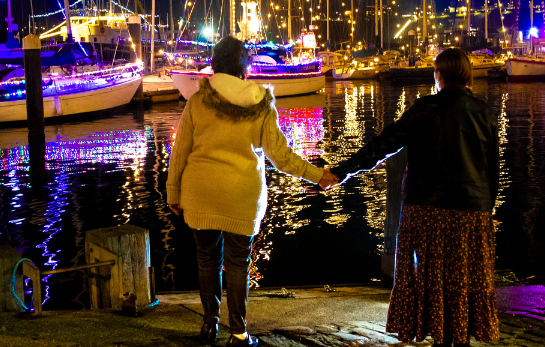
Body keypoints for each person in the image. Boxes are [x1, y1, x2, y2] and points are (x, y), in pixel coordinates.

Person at [167, 36, 339, 346]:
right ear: (244, 67)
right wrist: (318, 175)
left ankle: (209, 325)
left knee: (207, 260)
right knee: (237, 263)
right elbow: (280, 156)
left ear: (215, 65)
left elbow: (180, 151)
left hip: (200, 191)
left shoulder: (196, 101)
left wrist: (172, 192)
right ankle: (238, 332)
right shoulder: (261, 103)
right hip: (241, 195)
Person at [330, 48, 500, 346]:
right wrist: (486, 207)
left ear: (439, 75)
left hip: (426, 207)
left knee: (430, 274)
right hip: (472, 209)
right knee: (463, 276)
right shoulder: (483, 112)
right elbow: (492, 169)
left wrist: (342, 171)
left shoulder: (424, 109)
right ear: (467, 75)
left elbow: (383, 145)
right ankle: (457, 334)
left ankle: (435, 332)